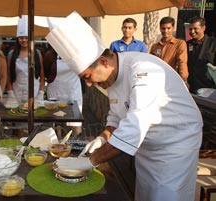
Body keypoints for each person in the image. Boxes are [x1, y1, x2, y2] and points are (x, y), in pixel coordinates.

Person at [46, 12, 203, 201]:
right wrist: (102, 139)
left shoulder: (143, 71)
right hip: (148, 145)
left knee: (165, 195)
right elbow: (116, 117)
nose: (88, 85)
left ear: (103, 62)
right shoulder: (111, 76)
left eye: (87, 77)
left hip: (176, 144)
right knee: (145, 194)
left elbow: (134, 126)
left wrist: (90, 161)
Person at [43, 46, 83, 135]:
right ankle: (57, 145)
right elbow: (45, 72)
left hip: (73, 91)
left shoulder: (77, 54)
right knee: (57, 123)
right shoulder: (50, 55)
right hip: (56, 91)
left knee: (75, 124)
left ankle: (75, 145)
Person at [6, 15, 45, 104]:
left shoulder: (37, 54)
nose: (24, 40)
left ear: (31, 38)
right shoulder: (11, 54)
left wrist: (41, 92)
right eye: (21, 37)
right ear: (17, 39)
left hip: (34, 93)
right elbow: (8, 75)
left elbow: (42, 76)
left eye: (26, 37)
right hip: (17, 92)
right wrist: (10, 93)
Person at [150, 16, 188, 83]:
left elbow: (182, 62)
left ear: (173, 28)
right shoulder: (155, 46)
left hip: (172, 80)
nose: (165, 31)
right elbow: (150, 64)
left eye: (168, 28)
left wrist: (183, 79)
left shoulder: (180, 44)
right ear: (160, 28)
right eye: (163, 28)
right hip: (156, 79)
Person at [186, 16, 216, 93]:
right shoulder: (187, 44)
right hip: (190, 87)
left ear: (203, 28)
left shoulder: (213, 43)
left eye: (195, 28)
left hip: (208, 88)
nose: (192, 31)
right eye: (190, 29)